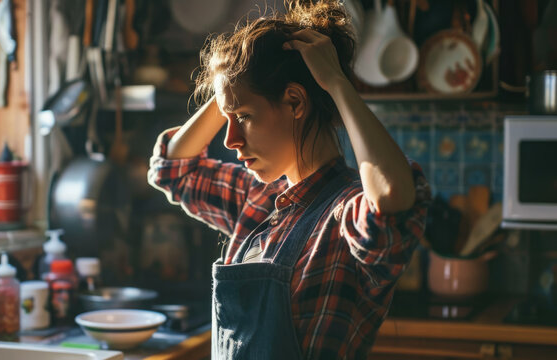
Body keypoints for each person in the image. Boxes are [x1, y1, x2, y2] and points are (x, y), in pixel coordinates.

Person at [148, 1, 431, 359]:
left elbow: (390, 197)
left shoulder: (344, 214)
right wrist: (231, 83)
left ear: (296, 101)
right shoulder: (256, 199)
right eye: (227, 117)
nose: (229, 139)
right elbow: (174, 169)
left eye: (245, 117)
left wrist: (336, 84)